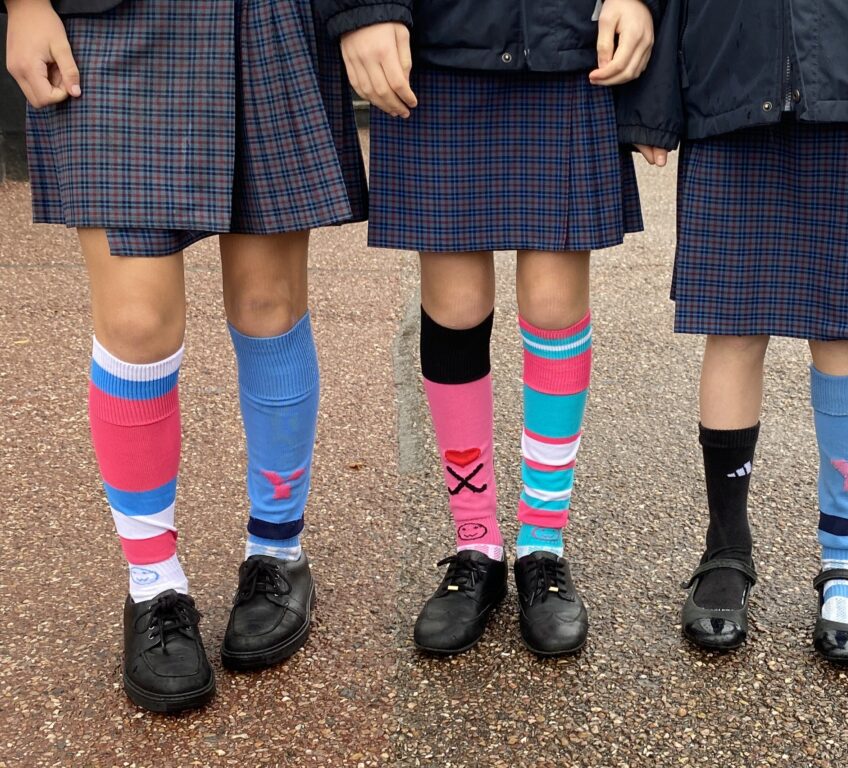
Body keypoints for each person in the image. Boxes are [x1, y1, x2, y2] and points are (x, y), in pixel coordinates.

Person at [3, 0, 367, 711]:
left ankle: (278, 550)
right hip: (108, 22)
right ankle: (153, 586)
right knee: (135, 323)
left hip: (268, 18)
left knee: (270, 303)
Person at [619, 0, 848, 661]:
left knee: (847, 332)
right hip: (728, 77)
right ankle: (726, 551)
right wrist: (654, 100)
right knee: (731, 326)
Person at [314, 0, 659, 656]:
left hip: (567, 48)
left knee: (556, 307)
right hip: (436, 45)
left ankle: (541, 545)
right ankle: (475, 542)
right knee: (454, 305)